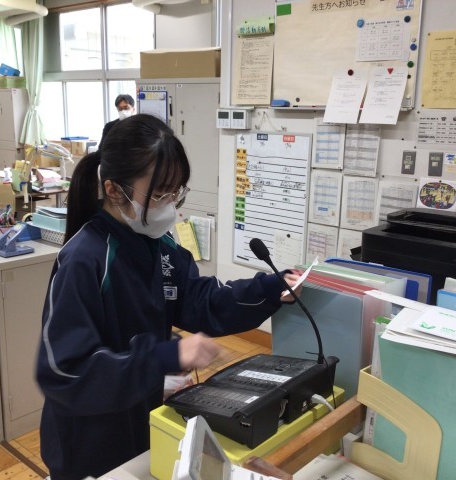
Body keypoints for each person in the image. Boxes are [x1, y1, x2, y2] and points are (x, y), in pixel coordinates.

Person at [36, 114, 300, 480]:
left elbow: (200, 300)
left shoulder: (159, 245)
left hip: (141, 419)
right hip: (90, 440)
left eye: (176, 192)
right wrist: (164, 356)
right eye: (160, 194)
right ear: (114, 190)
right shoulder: (85, 259)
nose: (171, 206)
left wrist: (268, 288)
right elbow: (66, 371)